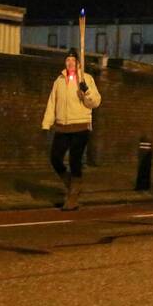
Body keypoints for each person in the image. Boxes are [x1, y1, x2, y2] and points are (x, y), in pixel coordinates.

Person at [41, 48, 101, 211]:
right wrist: (46, 124)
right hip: (62, 126)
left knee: (75, 160)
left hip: (81, 125)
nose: (70, 63)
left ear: (78, 63)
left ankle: (73, 197)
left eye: (73, 60)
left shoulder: (86, 78)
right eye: (67, 60)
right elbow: (52, 103)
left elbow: (95, 102)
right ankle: (72, 184)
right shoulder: (59, 81)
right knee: (55, 158)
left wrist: (86, 91)